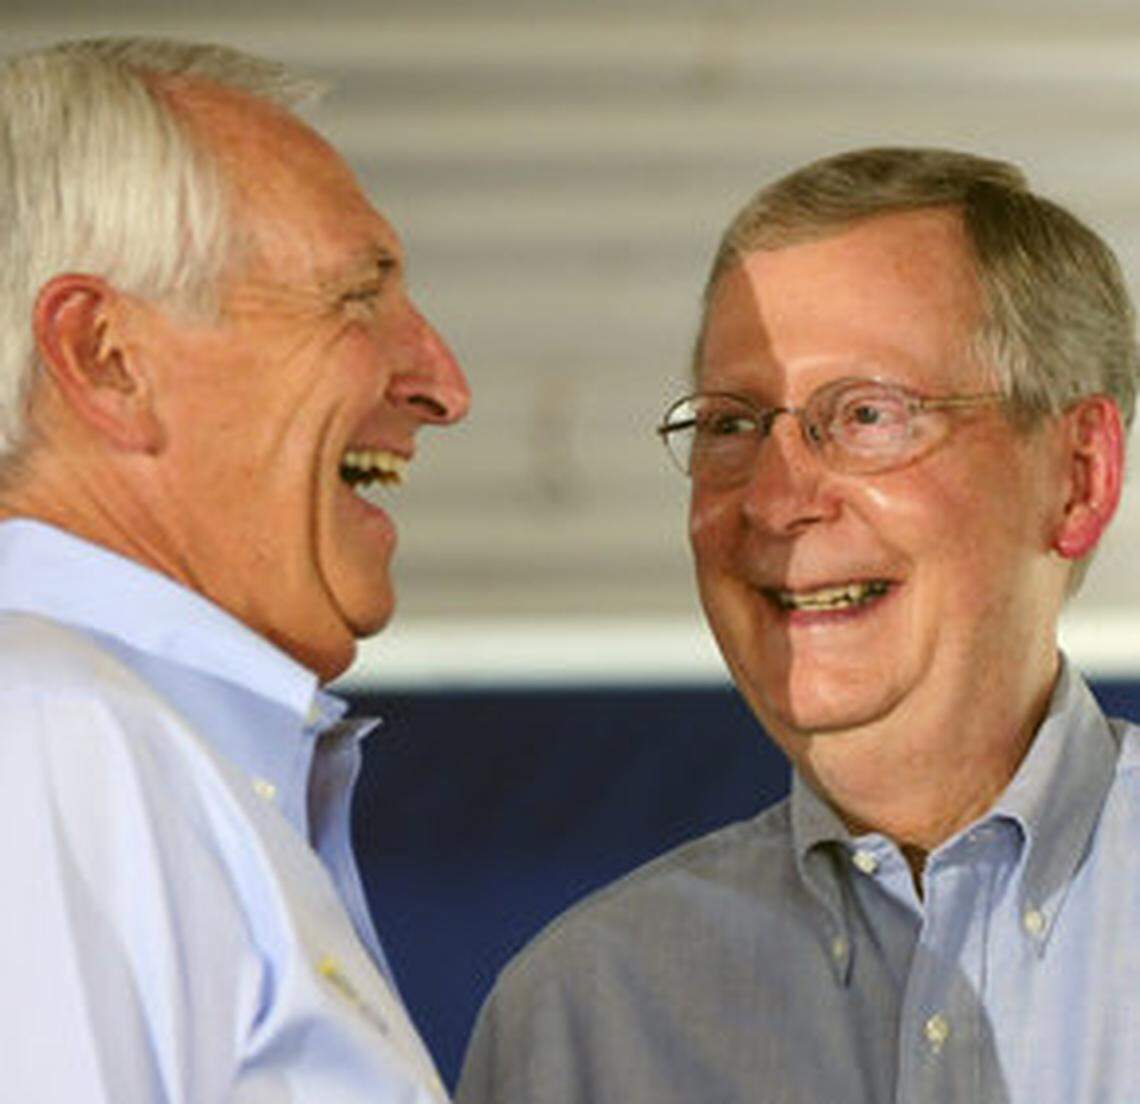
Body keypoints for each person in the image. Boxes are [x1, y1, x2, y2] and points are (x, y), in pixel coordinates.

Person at [456, 148, 1140, 1103]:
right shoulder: (584, 1017)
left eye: (866, 414)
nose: (775, 501)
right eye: (732, 425)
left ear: (1079, 477)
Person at [0, 37, 470, 1100]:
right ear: (105, 357)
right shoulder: (54, 738)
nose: (445, 385)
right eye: (356, 299)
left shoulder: (127, 747)